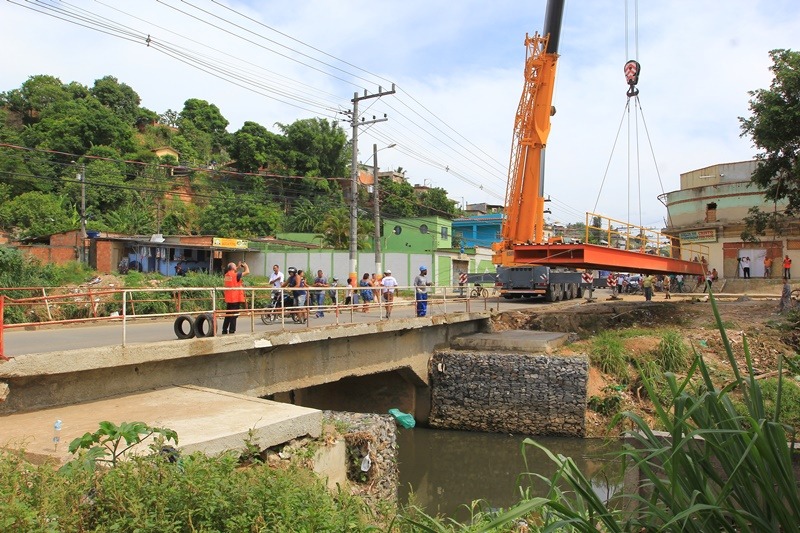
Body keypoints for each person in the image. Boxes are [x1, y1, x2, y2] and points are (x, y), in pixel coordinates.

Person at [222, 260, 249, 334]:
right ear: (233, 268)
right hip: (235, 298)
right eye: (235, 266)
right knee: (234, 315)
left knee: (228, 315)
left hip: (229, 298)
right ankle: (232, 330)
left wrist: (237, 266)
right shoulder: (236, 275)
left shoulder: (227, 275)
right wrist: (245, 266)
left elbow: (232, 271)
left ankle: (224, 330)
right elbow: (247, 272)